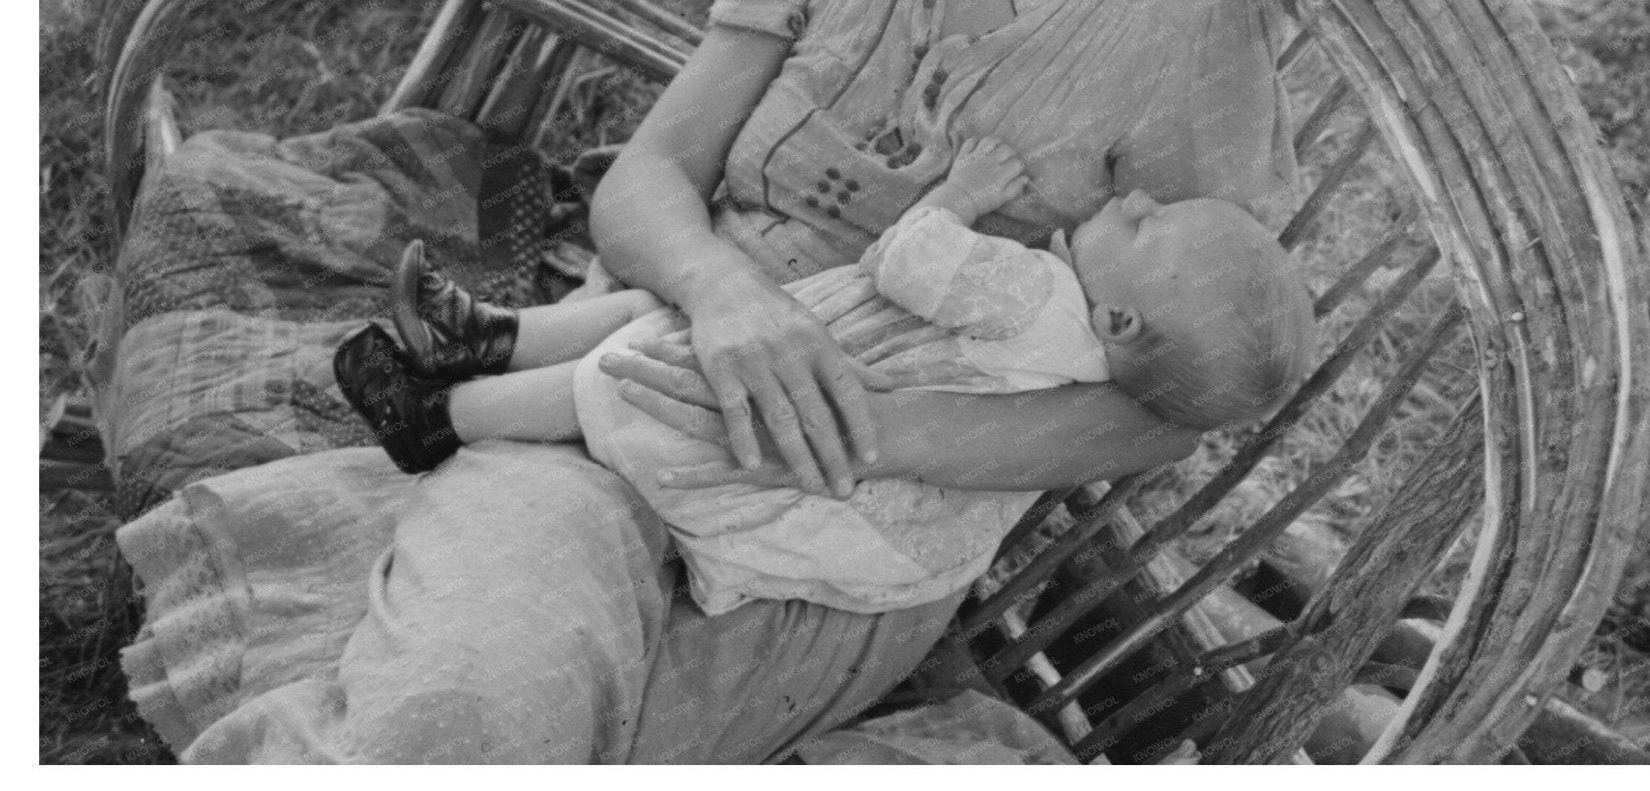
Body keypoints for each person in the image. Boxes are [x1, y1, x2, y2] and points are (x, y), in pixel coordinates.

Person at [193, 0, 1303, 763]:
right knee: (469, 711)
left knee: (605, 732)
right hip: (630, 395)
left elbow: (1182, 391)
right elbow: (648, 180)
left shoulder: (1186, 14)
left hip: (856, 521)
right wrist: (728, 304)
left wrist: (874, 428)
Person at [332, 136, 1313, 616]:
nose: (1134, 197)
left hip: (794, 417)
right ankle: (485, 336)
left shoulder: (1039, 301)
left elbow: (907, 262)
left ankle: (443, 411)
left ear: (1122, 316)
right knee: (666, 320)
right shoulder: (1080, 355)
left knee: (630, 368)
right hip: (864, 518)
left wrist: (960, 194)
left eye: (1143, 224)